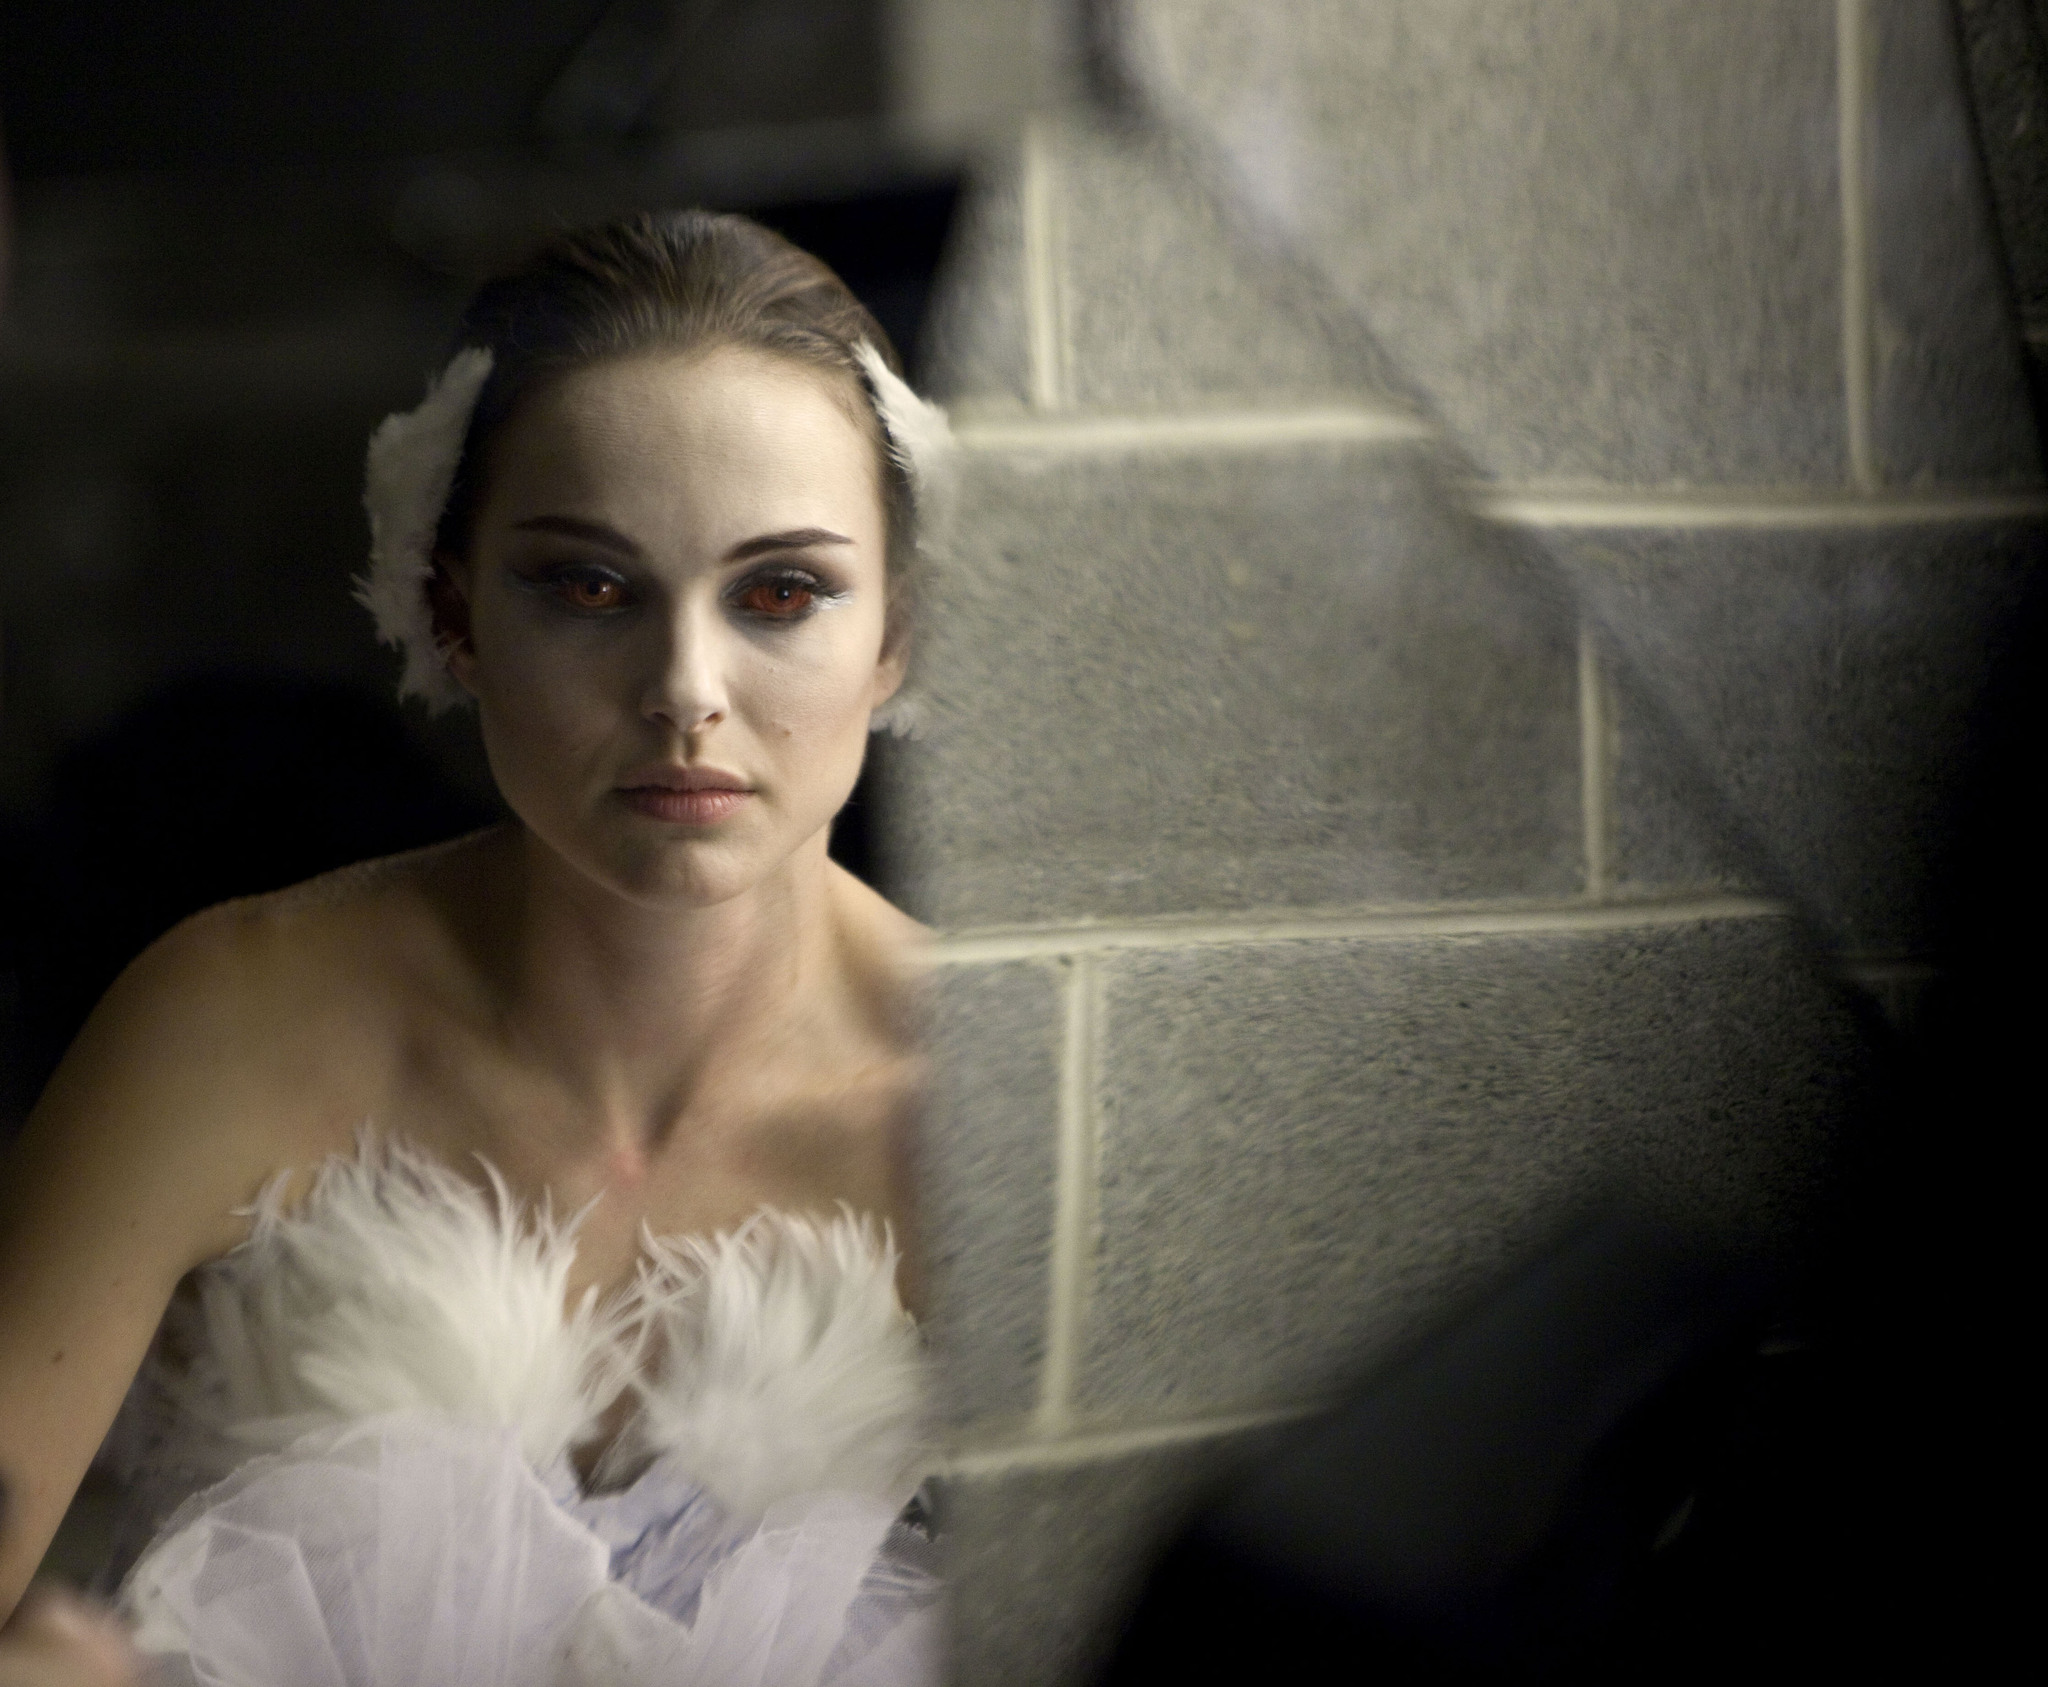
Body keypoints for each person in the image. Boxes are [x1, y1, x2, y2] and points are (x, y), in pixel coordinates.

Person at [0, 210, 949, 1684]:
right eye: (589, 587)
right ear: (452, 614)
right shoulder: (225, 1028)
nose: (685, 691)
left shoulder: (984, 1102)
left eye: (780, 593)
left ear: (896, 631)